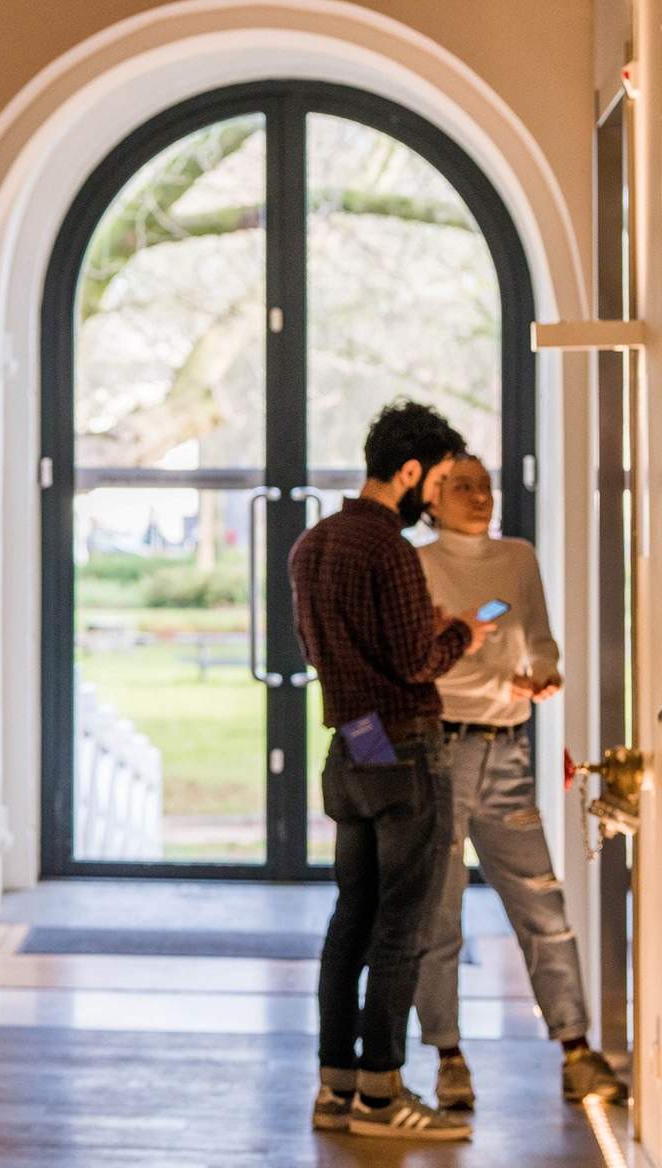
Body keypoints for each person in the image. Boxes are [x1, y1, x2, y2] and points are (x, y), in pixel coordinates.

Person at [291, 400, 496, 1142]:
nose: (436, 496)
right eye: (437, 480)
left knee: (352, 917)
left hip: (354, 744)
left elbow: (323, 650)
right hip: (405, 747)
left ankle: (335, 1089)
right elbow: (414, 661)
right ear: (409, 473)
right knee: (403, 925)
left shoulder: (313, 544)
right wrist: (461, 635)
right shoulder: (390, 551)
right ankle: (382, 1097)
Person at [414, 453, 629, 1110]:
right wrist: (494, 682)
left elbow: (537, 635)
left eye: (486, 486)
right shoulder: (418, 566)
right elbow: (424, 666)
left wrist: (544, 672)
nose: (479, 497)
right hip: (441, 753)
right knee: (439, 915)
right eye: (463, 487)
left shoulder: (517, 557)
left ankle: (576, 1048)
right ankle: (449, 1056)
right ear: (433, 498)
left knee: (543, 906)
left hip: (507, 753)